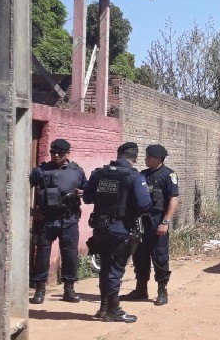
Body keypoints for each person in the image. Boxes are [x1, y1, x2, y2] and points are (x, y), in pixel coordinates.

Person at [82, 142, 152, 323]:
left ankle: (104, 307)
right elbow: (144, 204)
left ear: (118, 154)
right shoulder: (134, 176)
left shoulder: (99, 173)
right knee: (114, 269)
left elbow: (87, 197)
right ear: (135, 158)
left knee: (105, 267)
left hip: (100, 228)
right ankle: (113, 310)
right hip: (120, 229)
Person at [28, 138, 88, 304]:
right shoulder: (40, 171)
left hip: (69, 220)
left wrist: (83, 193)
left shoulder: (77, 171)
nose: (55, 155)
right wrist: (31, 211)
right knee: (42, 255)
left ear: (68, 153)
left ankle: (69, 289)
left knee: (70, 255)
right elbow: (21, 188)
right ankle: (39, 289)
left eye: (60, 153)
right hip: (47, 219)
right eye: (53, 152)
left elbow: (87, 189)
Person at [127, 144, 179, 306]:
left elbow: (173, 199)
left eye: (148, 157)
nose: (145, 159)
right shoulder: (142, 175)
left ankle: (162, 291)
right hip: (141, 221)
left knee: (160, 256)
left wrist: (165, 221)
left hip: (158, 220)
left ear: (158, 159)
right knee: (139, 255)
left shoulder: (167, 175)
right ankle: (141, 289)